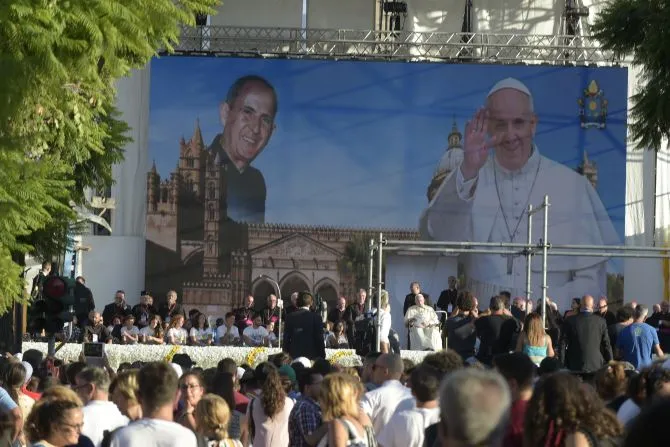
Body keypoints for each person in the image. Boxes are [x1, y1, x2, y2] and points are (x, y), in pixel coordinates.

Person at [419, 77, 618, 310]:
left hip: (548, 320)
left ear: (533, 125)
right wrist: (469, 170)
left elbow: (592, 279)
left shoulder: (572, 184)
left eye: (518, 123)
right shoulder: (470, 175)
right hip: (484, 318)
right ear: (489, 128)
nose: (510, 134)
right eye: (501, 125)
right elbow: (438, 237)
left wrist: (541, 306)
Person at [208, 75, 278, 224]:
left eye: (265, 120)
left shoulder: (256, 181)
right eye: (247, 112)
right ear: (225, 113)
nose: (255, 128)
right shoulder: (200, 170)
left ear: (272, 131)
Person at [283, 292, 326, 360]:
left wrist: (285, 356)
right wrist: (322, 356)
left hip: (294, 356)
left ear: (297, 302)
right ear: (311, 303)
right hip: (311, 357)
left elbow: (286, 340)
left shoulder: (289, 317)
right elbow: (319, 339)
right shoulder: (316, 317)